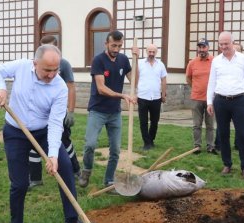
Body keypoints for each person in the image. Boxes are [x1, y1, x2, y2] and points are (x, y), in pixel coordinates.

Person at [0, 44, 87, 223]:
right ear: (35, 64)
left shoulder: (59, 87)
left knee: (65, 166)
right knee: (20, 183)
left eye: (55, 70)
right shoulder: (22, 67)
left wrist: (52, 156)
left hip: (43, 130)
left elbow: (56, 123)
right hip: (16, 132)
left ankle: (71, 220)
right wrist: (0, 88)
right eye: (47, 70)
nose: (52, 75)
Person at [79, 30, 138, 188]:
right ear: (106, 44)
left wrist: (136, 59)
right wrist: (123, 96)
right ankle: (86, 170)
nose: (116, 49)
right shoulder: (98, 60)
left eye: (119, 46)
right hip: (97, 110)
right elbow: (101, 88)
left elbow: (134, 80)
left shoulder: (124, 60)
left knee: (116, 149)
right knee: (90, 144)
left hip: (114, 113)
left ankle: (109, 180)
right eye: (113, 45)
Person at [28, 35, 79, 189]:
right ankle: (35, 178)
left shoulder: (64, 65)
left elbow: (71, 87)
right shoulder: (36, 65)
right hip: (39, 114)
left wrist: (70, 111)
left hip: (57, 112)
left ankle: (75, 169)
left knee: (64, 142)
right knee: (33, 143)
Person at [207, 31, 244, 180]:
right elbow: (211, 82)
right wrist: (209, 101)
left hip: (239, 100)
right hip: (220, 101)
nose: (223, 47)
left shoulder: (243, 59)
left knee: (242, 134)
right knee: (223, 134)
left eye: (226, 44)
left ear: (232, 43)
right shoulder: (216, 61)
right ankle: (227, 164)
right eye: (221, 44)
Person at [186, 37, 216, 154]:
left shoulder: (214, 61)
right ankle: (197, 146)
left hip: (210, 100)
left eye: (203, 47)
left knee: (210, 125)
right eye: (199, 47)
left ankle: (210, 147)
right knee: (196, 125)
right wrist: (195, 87)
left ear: (208, 47)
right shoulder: (192, 63)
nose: (201, 49)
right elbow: (188, 78)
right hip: (196, 98)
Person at [137, 43, 167, 151]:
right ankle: (146, 143)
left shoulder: (160, 64)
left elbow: (164, 80)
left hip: (156, 97)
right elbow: (135, 78)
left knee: (155, 121)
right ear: (146, 52)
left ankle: (151, 140)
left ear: (156, 52)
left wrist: (163, 95)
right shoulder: (140, 63)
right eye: (149, 51)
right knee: (143, 121)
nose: (151, 54)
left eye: (153, 52)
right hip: (142, 96)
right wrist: (135, 93)